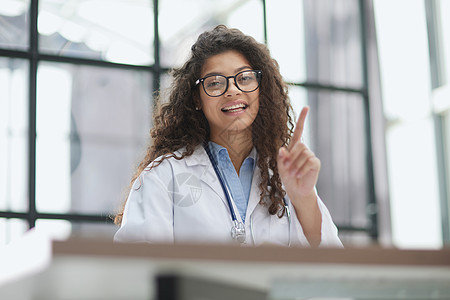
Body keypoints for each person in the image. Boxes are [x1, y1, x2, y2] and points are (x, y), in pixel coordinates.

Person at [114, 25, 342, 248]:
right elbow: (139, 270)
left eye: (244, 78)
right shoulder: (163, 176)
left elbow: (333, 266)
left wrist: (304, 198)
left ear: (261, 89)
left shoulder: (286, 177)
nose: (233, 90)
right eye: (215, 83)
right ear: (196, 98)